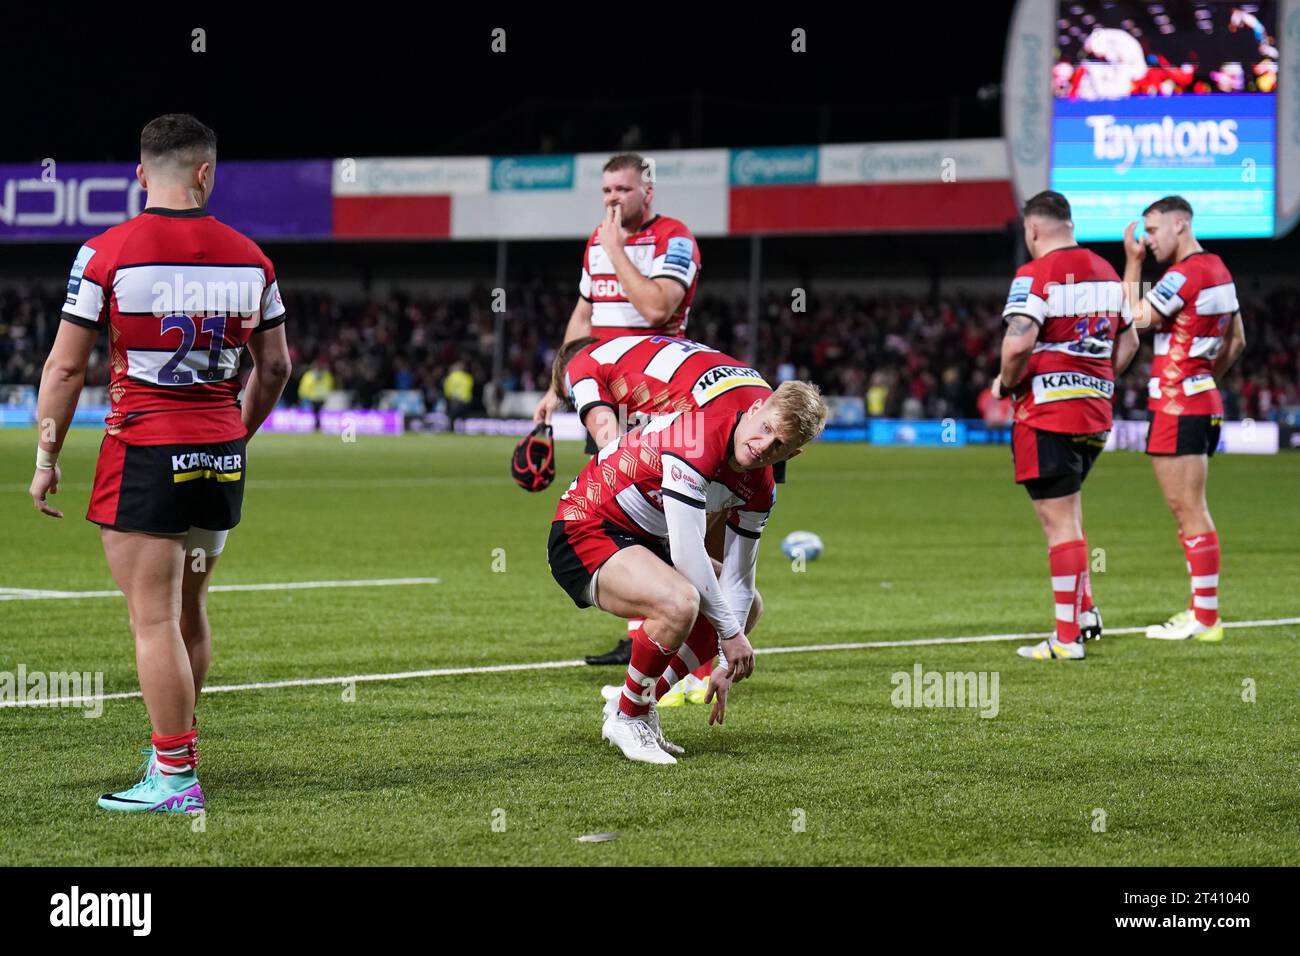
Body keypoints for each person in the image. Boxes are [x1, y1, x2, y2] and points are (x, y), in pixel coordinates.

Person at [27, 114, 291, 812]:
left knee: (151, 620)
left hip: (145, 452)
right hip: (219, 457)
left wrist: (47, 455)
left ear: (141, 176)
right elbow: (275, 365)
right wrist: (237, 431)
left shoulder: (106, 253)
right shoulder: (251, 258)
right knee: (189, 611)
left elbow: (63, 367)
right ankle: (173, 748)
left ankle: (174, 777)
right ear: (206, 173)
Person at [546, 382, 828, 764]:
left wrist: (729, 660)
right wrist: (730, 636)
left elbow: (740, 582)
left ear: (791, 454)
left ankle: (636, 704)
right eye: (765, 428)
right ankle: (628, 718)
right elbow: (687, 553)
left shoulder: (760, 488)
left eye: (779, 445)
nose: (763, 446)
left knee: (751, 607)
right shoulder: (698, 437)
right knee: (680, 602)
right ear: (757, 407)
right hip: (585, 528)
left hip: (642, 539)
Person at [532, 152, 703, 665]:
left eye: (622, 191)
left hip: (655, 398)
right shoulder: (595, 241)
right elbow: (583, 314)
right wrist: (557, 385)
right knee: (613, 515)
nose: (612, 200)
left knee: (661, 518)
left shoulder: (674, 238)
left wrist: (618, 251)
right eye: (606, 191)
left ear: (646, 192)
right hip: (603, 394)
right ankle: (644, 629)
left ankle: (682, 624)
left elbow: (656, 308)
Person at [551, 332, 772, 693]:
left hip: (719, 421)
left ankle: (665, 666)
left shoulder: (581, 365)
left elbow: (610, 444)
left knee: (681, 577)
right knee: (720, 569)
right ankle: (690, 672)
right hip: (761, 409)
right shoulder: (636, 348)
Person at [994, 191, 1138, 661]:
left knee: (1058, 524)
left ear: (1033, 230)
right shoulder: (1107, 272)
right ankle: (1087, 612)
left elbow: (1018, 346)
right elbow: (1131, 340)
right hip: (1095, 413)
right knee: (1070, 517)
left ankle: (1066, 639)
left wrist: (1004, 384)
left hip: (1047, 413)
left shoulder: (1035, 275)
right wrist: (1095, 378)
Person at [1122, 196, 1245, 642]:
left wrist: (1131, 263)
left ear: (1180, 223)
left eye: (1152, 231)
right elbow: (1237, 342)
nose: (1147, 240)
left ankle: (1207, 620)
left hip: (1177, 406)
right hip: (1200, 402)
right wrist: (1202, 380)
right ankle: (1201, 610)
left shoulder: (1182, 274)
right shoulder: (1219, 271)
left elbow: (1134, 319)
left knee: (1188, 510)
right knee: (1189, 509)